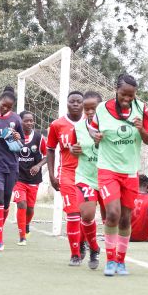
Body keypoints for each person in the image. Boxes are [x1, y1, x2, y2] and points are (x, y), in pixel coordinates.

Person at [90, 74, 148, 276]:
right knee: (113, 213)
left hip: (130, 172)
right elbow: (92, 130)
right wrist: (96, 136)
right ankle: (109, 260)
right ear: (116, 90)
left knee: (126, 218)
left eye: (131, 95)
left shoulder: (142, 108)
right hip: (107, 169)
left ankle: (121, 261)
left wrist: (141, 129)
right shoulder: (102, 108)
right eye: (123, 94)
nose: (127, 99)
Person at [47, 91, 85, 266]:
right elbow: (50, 149)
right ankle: (75, 254)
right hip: (67, 173)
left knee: (86, 213)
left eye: (79, 101)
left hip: (88, 173)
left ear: (83, 104)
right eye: (72, 102)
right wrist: (52, 174)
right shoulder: (57, 125)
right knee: (73, 213)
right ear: (67, 104)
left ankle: (83, 242)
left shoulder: (90, 123)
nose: (75, 104)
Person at [0, 86, 24, 251]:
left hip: (12, 165)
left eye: (8, 107)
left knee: (6, 203)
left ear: (12, 107)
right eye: (3, 104)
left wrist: (17, 137)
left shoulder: (16, 119)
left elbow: (21, 142)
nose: (4, 108)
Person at [68, 91, 104, 269]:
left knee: (113, 219)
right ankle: (95, 248)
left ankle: (115, 258)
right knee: (87, 214)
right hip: (85, 178)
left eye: (94, 109)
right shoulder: (78, 127)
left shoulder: (108, 126)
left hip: (107, 177)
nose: (90, 112)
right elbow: (73, 146)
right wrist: (73, 149)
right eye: (87, 108)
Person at [13, 110, 46, 246]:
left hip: (33, 178)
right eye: (26, 120)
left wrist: (38, 166)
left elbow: (47, 155)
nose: (29, 123)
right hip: (17, 177)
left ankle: (26, 225)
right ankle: (22, 237)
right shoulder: (14, 136)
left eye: (31, 120)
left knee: (30, 208)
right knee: (22, 204)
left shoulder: (39, 138)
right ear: (20, 122)